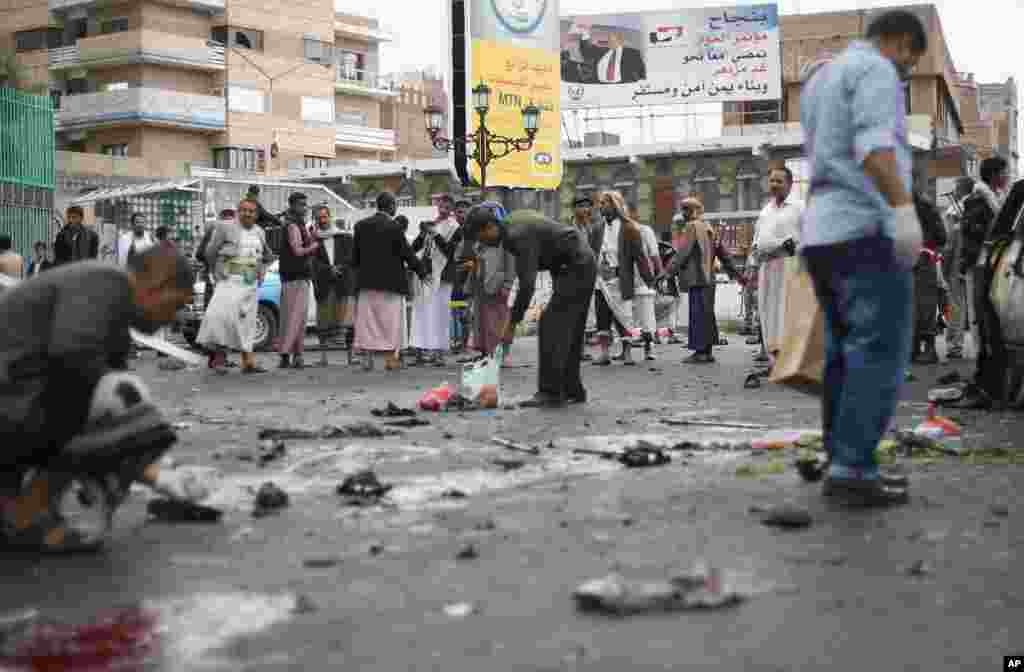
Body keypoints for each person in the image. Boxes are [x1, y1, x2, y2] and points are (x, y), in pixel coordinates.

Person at [800, 9, 928, 506]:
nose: (906, 73)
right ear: (899, 42)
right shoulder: (875, 69)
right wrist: (903, 210)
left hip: (822, 233)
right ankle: (854, 467)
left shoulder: (821, 78)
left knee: (842, 352)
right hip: (864, 229)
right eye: (909, 62)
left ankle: (843, 460)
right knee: (876, 349)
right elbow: (875, 151)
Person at [0, 247, 193, 550]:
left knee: (109, 403)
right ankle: (25, 513)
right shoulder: (105, 282)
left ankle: (17, 505)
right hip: (11, 405)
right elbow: (74, 362)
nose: (175, 317)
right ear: (157, 285)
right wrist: (129, 461)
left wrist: (143, 464)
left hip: (14, 402)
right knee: (119, 396)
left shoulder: (112, 311)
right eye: (176, 304)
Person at [464, 204, 597, 409]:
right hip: (574, 262)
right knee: (570, 329)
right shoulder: (511, 228)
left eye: (480, 237)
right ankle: (572, 390)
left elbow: (527, 285)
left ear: (490, 226)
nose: (481, 243)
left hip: (576, 264)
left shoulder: (517, 235)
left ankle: (550, 392)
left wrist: (511, 324)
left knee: (551, 324)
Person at [352, 192, 426, 372]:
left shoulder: (360, 226)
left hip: (367, 283)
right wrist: (422, 272)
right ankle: (390, 360)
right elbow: (407, 254)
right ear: (391, 205)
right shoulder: (395, 227)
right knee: (391, 323)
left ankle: (367, 360)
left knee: (367, 323)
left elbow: (355, 257)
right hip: (391, 284)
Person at [197, 198, 273, 374]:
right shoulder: (225, 227)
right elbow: (210, 252)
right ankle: (219, 359)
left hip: (250, 282)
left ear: (256, 214)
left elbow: (266, 255)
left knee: (247, 322)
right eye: (244, 210)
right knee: (221, 318)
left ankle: (248, 362)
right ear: (238, 212)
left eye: (251, 211)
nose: (247, 214)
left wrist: (262, 271)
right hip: (229, 280)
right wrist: (215, 271)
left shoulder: (260, 232)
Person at [589, 190, 653, 366]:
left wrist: (650, 280)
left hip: (621, 280)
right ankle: (604, 354)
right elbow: (590, 254)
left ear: (615, 205)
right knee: (602, 317)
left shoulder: (629, 228)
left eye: (604, 203)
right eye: (600, 203)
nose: (600, 206)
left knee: (624, 317)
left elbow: (640, 257)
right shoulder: (597, 229)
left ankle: (627, 352)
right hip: (601, 282)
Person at [659, 198, 720, 364]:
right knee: (707, 315)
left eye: (686, 209)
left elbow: (683, 253)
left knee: (697, 315)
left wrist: (667, 272)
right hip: (710, 278)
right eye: (682, 209)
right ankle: (707, 352)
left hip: (697, 278)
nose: (683, 213)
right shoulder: (708, 226)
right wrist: (735, 273)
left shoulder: (691, 226)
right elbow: (720, 251)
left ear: (696, 210)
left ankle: (700, 352)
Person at [752, 166, 803, 362]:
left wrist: (792, 248)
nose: (774, 185)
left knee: (787, 313)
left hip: (789, 267)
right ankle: (774, 360)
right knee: (768, 314)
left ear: (790, 184)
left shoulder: (799, 208)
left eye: (779, 181)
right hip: (767, 268)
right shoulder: (766, 210)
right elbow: (757, 239)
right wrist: (753, 262)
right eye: (772, 180)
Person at [461, 203, 516, 365]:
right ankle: (486, 352)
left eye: (480, 232)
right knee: (482, 322)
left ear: (490, 226)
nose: (479, 236)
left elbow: (512, 265)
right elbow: (477, 262)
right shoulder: (482, 241)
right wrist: (469, 287)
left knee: (499, 322)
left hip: (499, 288)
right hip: (481, 285)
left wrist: (507, 285)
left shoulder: (506, 239)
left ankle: (501, 354)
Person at [411, 194, 462, 367]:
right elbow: (415, 247)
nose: (443, 209)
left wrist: (436, 234)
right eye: (441, 206)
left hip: (443, 275)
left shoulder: (455, 228)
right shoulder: (431, 224)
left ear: (451, 209)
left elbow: (449, 252)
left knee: (439, 314)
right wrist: (423, 233)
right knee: (422, 313)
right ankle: (421, 351)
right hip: (426, 273)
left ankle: (439, 353)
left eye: (447, 207)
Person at [277, 192, 319, 370]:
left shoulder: (296, 223)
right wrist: (315, 245)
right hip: (296, 277)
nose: (304, 208)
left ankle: (291, 356)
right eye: (301, 204)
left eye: (305, 204)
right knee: (295, 318)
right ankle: (292, 355)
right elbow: (298, 251)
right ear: (293, 205)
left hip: (294, 276)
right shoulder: (293, 225)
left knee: (293, 317)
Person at [311, 205, 354, 367]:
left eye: (324, 217)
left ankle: (351, 357)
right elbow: (313, 263)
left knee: (348, 322)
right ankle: (323, 358)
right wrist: (329, 270)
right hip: (324, 285)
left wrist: (339, 268)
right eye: (319, 218)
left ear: (330, 216)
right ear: (315, 220)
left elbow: (351, 258)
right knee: (323, 323)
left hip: (343, 284)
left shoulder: (344, 237)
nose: (322, 220)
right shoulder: (313, 240)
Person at [910, 192, 948, 365]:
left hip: (921, 260)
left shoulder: (922, 206)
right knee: (919, 305)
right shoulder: (919, 205)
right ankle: (916, 348)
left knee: (924, 305)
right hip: (916, 260)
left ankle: (928, 349)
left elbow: (941, 236)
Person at [941, 177, 975, 360]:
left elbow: (949, 244)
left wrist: (944, 267)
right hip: (973, 262)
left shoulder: (954, 212)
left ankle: (955, 345)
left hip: (956, 262)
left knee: (956, 305)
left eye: (955, 188)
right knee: (971, 306)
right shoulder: (976, 208)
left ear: (961, 190)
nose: (953, 192)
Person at [573, 23, 646, 84]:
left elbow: (641, 71)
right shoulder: (602, 51)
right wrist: (585, 33)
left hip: (622, 87)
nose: (610, 41)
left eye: (613, 39)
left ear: (621, 40)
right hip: (600, 86)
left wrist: (642, 83)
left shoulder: (632, 53)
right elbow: (587, 50)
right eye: (609, 39)